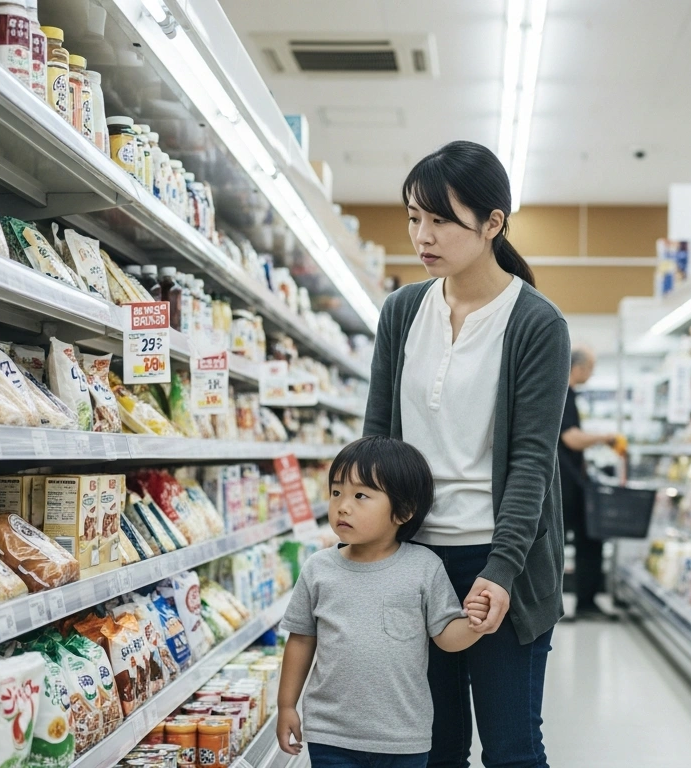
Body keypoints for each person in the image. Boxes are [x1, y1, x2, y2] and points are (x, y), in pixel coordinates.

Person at [364, 139, 570, 768]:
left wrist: (502, 571)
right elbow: (377, 439)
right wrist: (368, 549)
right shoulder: (402, 312)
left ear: (492, 224)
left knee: (511, 747)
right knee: (434, 747)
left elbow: (532, 463)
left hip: (499, 564)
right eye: (412, 217)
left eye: (439, 219)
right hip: (414, 559)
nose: (421, 235)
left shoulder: (536, 324)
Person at [276, 435, 493, 766]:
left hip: (403, 736)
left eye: (361, 495)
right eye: (336, 492)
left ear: (403, 511)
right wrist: (286, 705)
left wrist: (474, 623)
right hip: (331, 733)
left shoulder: (423, 568)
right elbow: (301, 640)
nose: (342, 505)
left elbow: (445, 636)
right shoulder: (318, 569)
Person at [557, 346, 620, 620]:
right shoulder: (563, 394)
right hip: (566, 483)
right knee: (587, 537)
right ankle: (584, 603)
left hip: (568, 481)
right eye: (591, 368)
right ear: (579, 368)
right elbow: (570, 438)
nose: (592, 374)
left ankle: (584, 602)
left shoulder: (565, 393)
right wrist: (604, 437)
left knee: (584, 538)